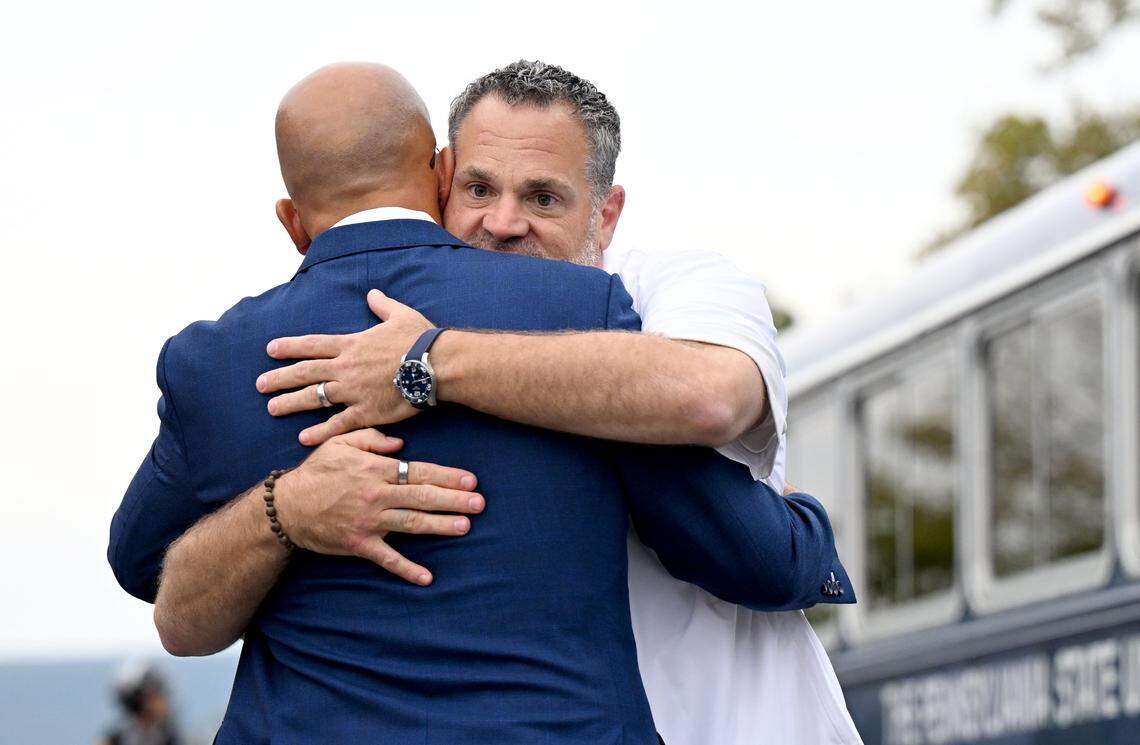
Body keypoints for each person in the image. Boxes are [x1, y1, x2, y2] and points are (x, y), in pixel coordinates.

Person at [107, 63, 853, 743]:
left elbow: (142, 562)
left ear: (290, 219)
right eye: (479, 188)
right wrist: (287, 508)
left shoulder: (215, 361)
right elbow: (738, 547)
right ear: (440, 174)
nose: (502, 222)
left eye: (542, 197)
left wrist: (425, 366)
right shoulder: (579, 311)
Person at [99, 662, 180, 745]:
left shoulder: (170, 737)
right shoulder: (114, 740)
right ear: (141, 700)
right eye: (157, 694)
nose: (164, 700)